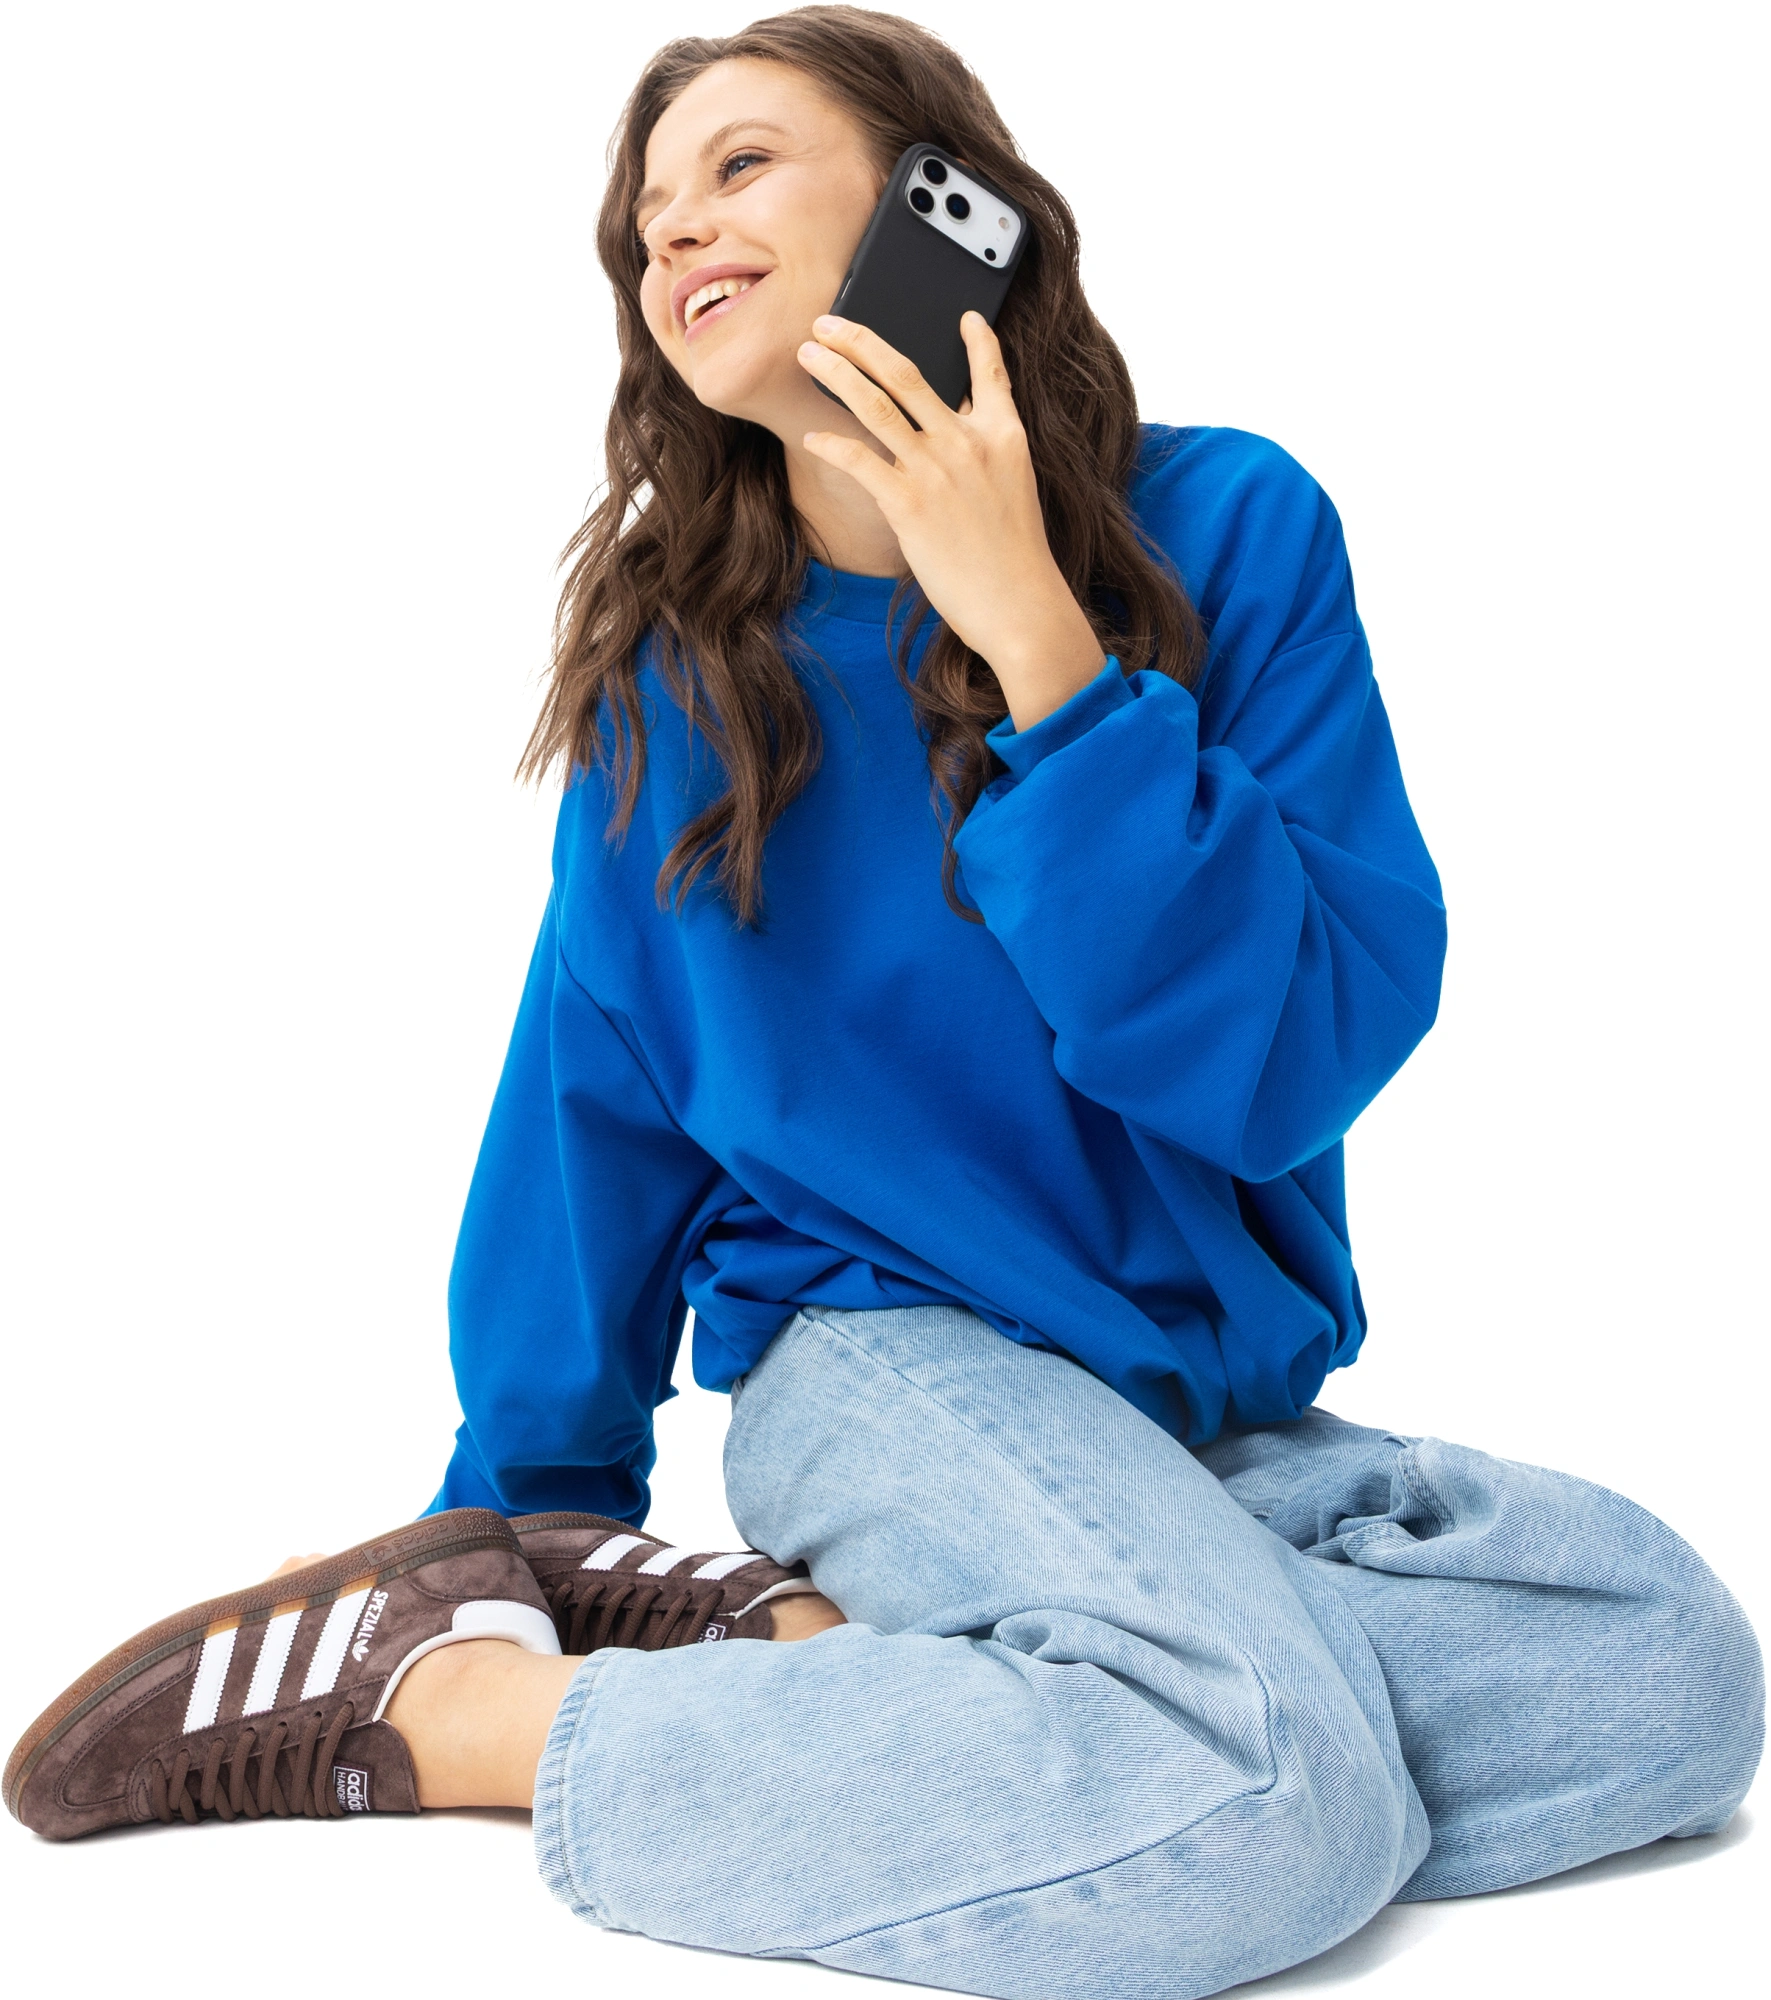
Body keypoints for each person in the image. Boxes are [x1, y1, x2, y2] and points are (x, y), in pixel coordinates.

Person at [6, 10, 1760, 1997]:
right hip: (883, 1361)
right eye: (646, 220)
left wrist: (1037, 645)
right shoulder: (676, 685)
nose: (674, 232)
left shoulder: (1235, 526)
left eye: (739, 165)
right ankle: (465, 1716)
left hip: (1180, 1410)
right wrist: (525, 1524)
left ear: (945, 206)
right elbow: (592, 1102)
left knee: (1662, 1672)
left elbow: (1281, 1070)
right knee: (1271, 1792)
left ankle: (904, 1674)